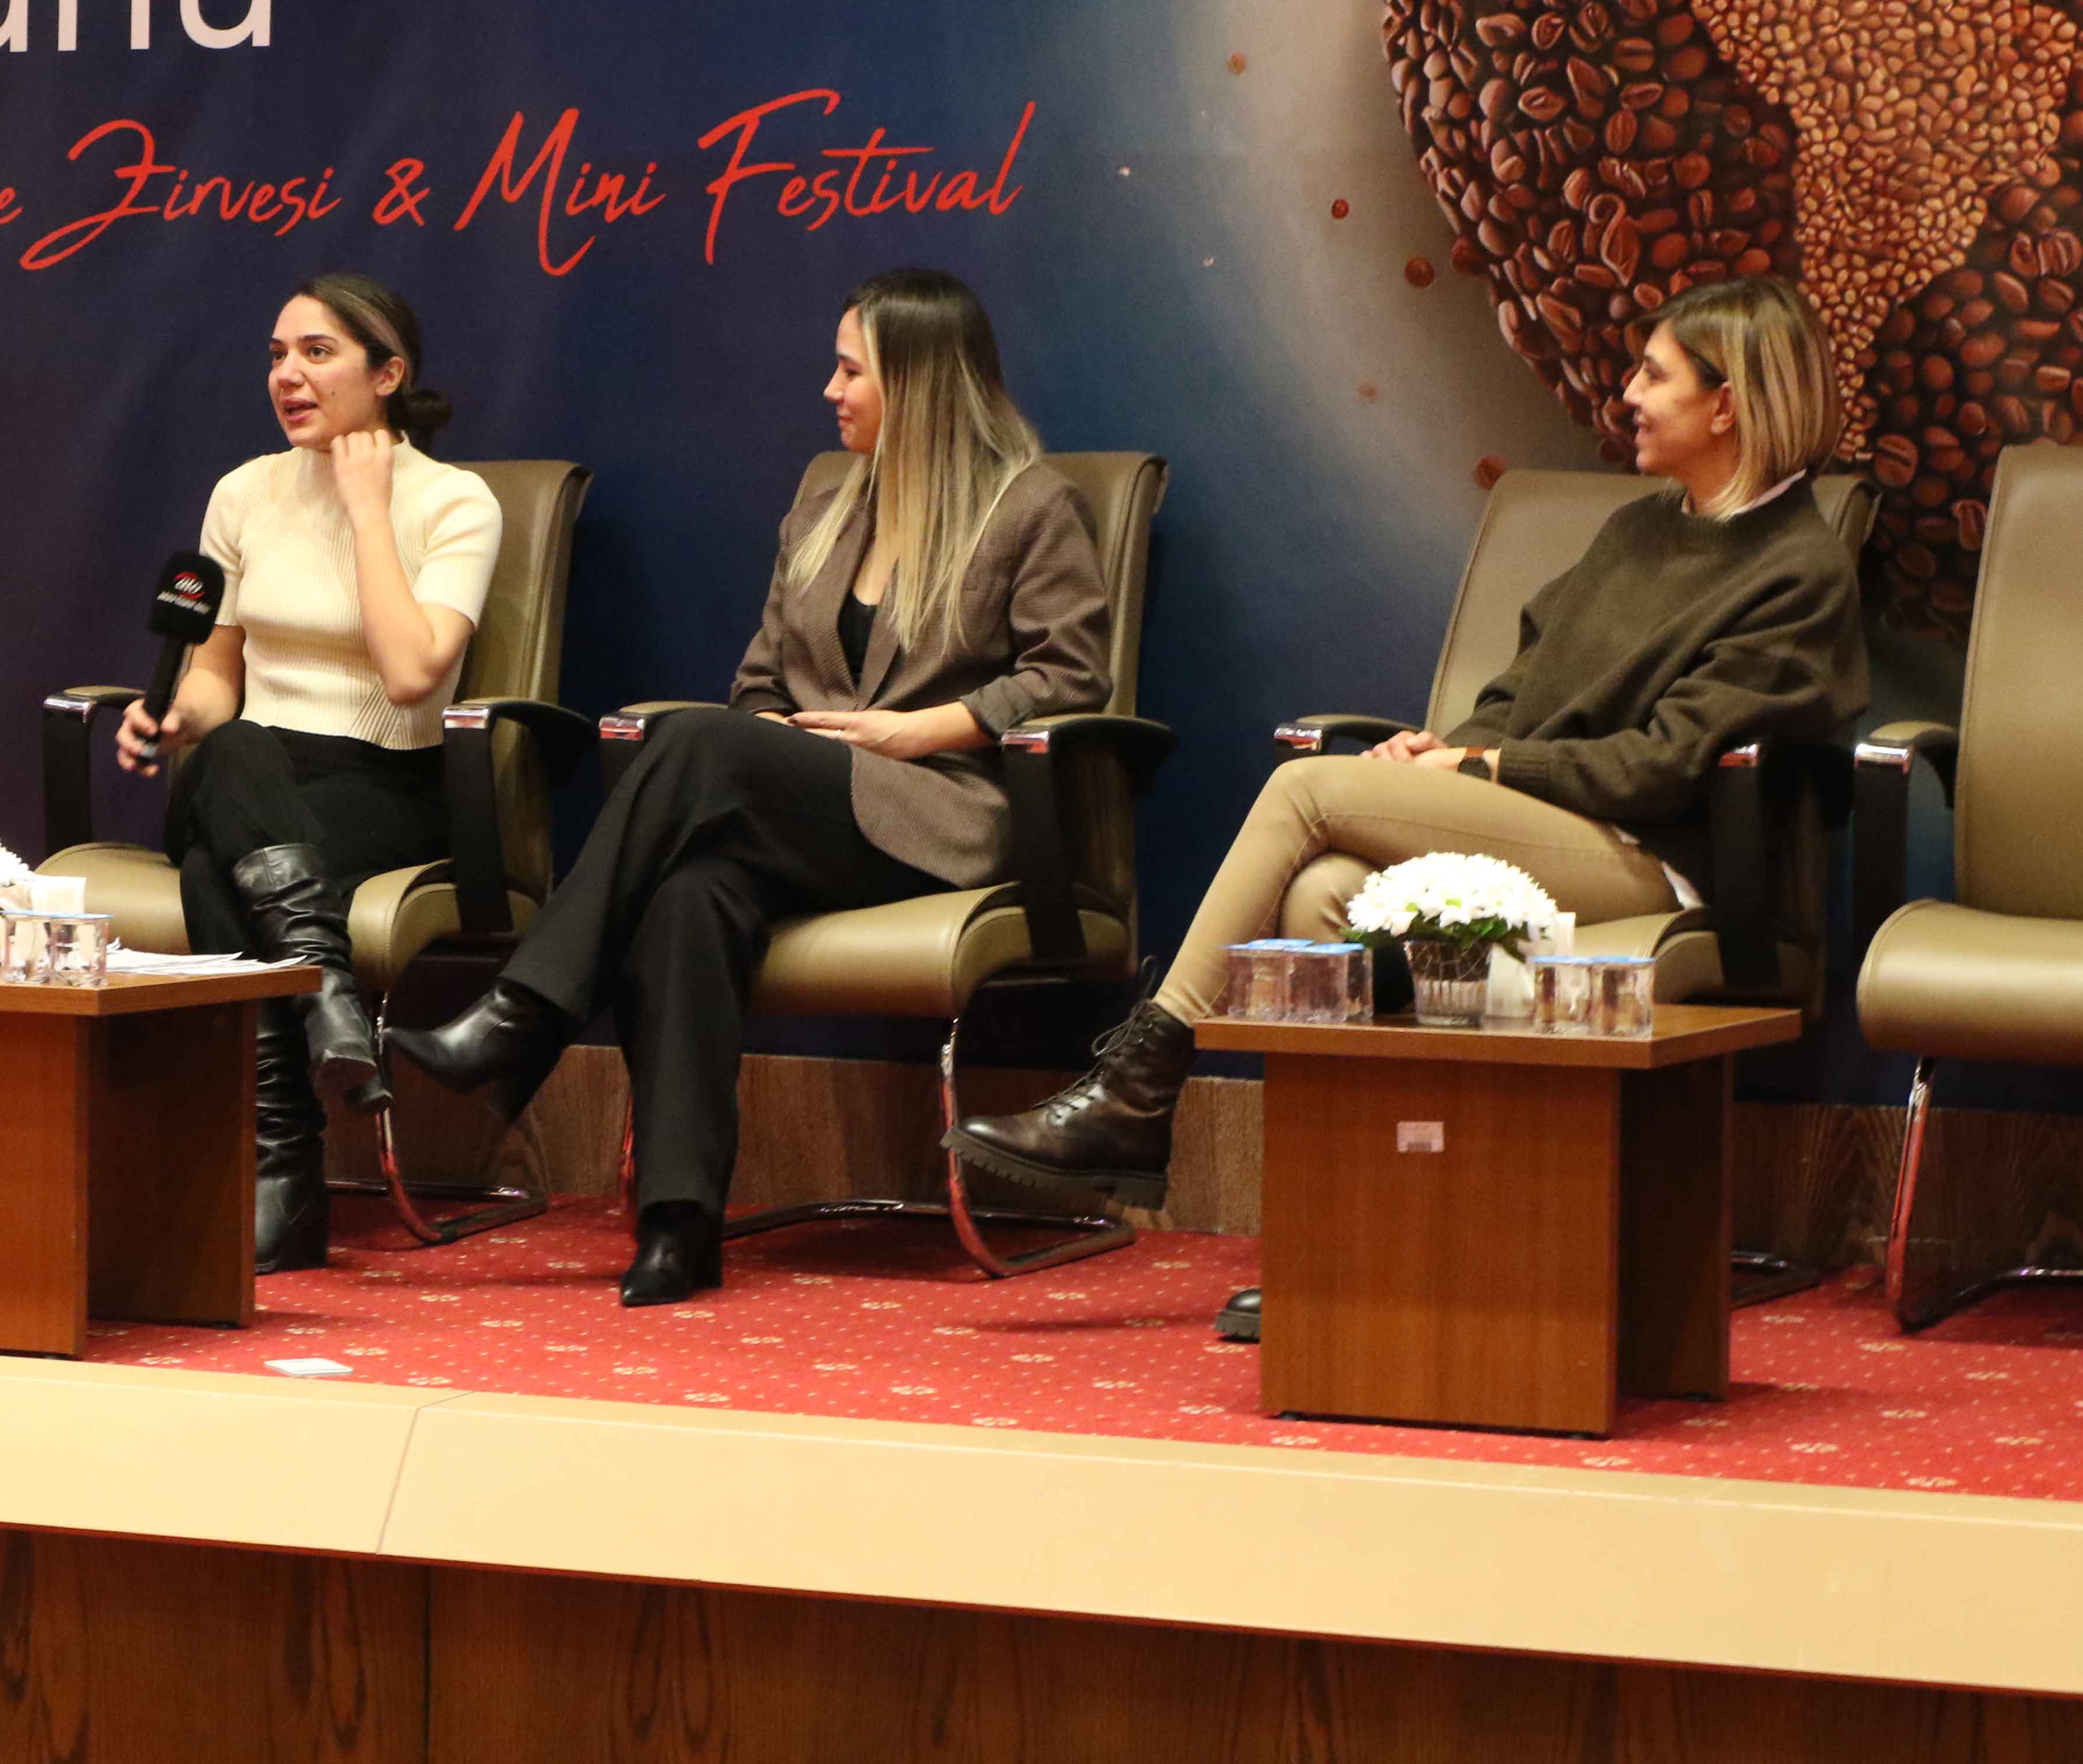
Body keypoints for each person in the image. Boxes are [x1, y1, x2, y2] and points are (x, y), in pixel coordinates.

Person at [948, 274, 1869, 1330]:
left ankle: (1140, 1082)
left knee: (1307, 788)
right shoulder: (1638, 531)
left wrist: (1481, 773)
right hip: (1557, 826)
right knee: (1325, 895)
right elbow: (1521, 693)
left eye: (1654, 376)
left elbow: (1663, 767)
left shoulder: (1798, 570)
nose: (1627, 395)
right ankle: (1348, 1250)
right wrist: (1451, 747)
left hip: (1665, 862)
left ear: (1728, 404)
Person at [385, 268, 1113, 1307]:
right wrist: (770, 734)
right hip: (808, 805)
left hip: (940, 813)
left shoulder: (1029, 506)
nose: (830, 389)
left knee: (696, 745)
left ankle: (525, 1013)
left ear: (917, 383)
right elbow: (761, 683)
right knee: (691, 893)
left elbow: (1071, 677)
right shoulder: (824, 500)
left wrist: (921, 730)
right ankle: (678, 1225)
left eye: (852, 371)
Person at [116, 273, 500, 1275]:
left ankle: (282, 1180)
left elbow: (413, 676)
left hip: (384, 785)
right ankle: (326, 986)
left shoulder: (454, 501)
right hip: (253, 768)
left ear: (389, 375)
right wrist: (174, 717)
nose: (288, 375)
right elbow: (216, 677)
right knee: (231, 746)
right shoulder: (243, 493)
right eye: (277, 355)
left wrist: (368, 510)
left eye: (317, 354)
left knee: (216, 873)